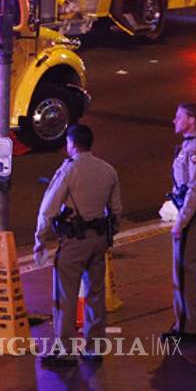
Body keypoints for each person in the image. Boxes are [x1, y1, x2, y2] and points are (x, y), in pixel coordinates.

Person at [33, 124, 122, 366]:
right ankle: (94, 347)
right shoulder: (108, 170)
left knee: (65, 296)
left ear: (71, 144)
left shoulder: (68, 170)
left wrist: (40, 240)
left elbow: (48, 209)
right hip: (99, 239)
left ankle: (65, 351)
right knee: (95, 293)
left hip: (74, 241)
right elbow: (116, 210)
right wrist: (109, 235)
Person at [166, 103, 196, 342]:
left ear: (192, 120)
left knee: (184, 272)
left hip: (194, 218)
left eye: (179, 116)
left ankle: (186, 327)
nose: (174, 120)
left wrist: (181, 222)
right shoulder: (194, 145)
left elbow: (195, 188)